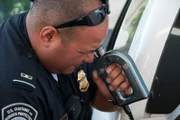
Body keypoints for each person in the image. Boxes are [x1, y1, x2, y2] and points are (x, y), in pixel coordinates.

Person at [0, 0, 131, 120]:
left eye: (96, 49)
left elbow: (95, 100)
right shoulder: (15, 93)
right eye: (85, 52)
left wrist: (110, 97)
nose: (90, 59)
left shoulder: (67, 36)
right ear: (49, 36)